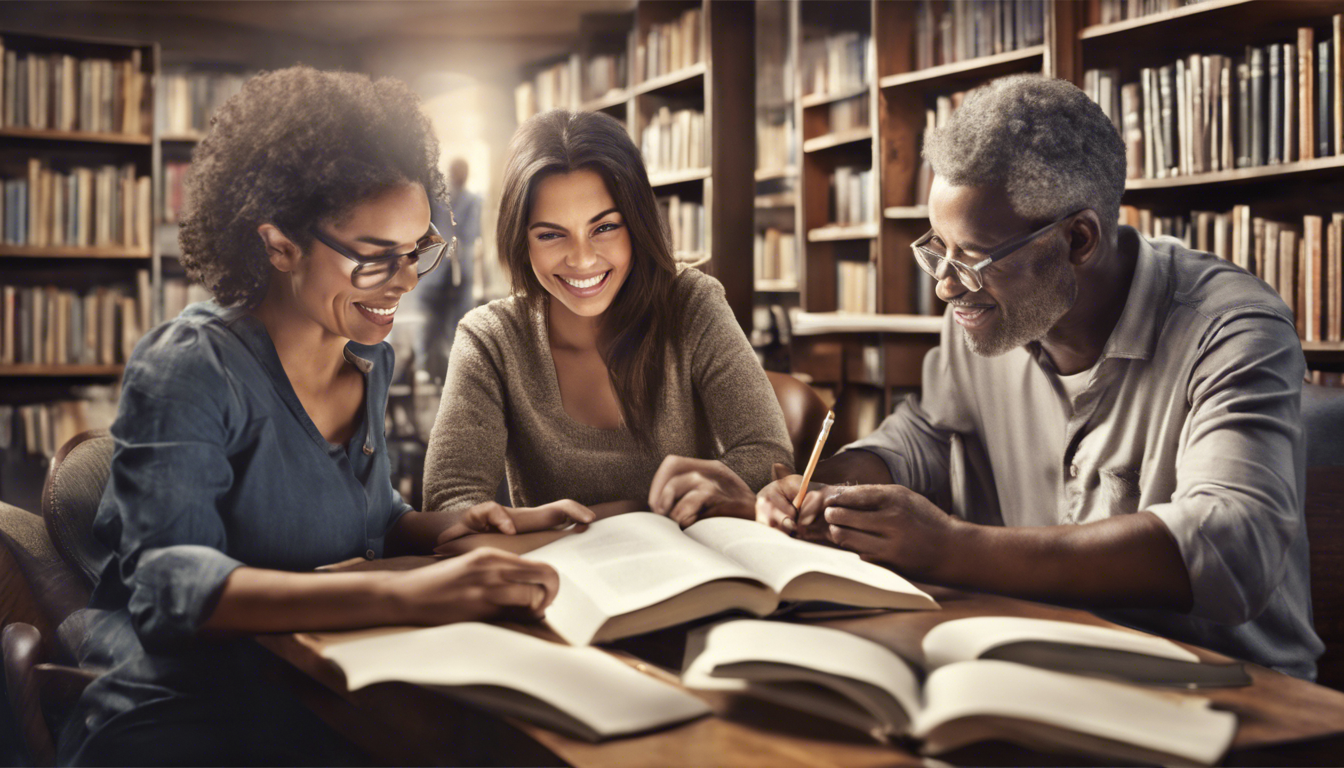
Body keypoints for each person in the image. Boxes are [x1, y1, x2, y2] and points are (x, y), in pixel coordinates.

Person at [59, 67, 588, 766]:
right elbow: (167, 588)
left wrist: (441, 527)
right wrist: (405, 597)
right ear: (280, 246)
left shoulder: (368, 362)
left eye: (417, 250)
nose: (403, 281)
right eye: (374, 258)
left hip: (316, 689)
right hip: (181, 716)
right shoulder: (190, 366)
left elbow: (365, 519)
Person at [757, 74, 1324, 680]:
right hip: (1044, 663)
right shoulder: (983, 315)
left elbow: (1233, 546)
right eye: (937, 250)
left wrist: (950, 547)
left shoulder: (1233, 327)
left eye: (971, 258)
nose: (946, 285)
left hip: (1233, 691)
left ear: (1079, 239)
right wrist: (830, 489)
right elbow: (926, 438)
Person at [423, 109, 792, 530]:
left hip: (698, 576)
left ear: (637, 224)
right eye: (550, 234)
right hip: (562, 585)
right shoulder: (490, 339)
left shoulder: (692, 302)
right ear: (520, 239)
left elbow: (767, 455)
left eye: (605, 228)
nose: (581, 259)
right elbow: (450, 502)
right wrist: (642, 512)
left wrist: (599, 517)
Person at [416, 157, 482, 384]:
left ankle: (431, 370)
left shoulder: (438, 200)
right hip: (452, 273)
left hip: (437, 272)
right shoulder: (470, 200)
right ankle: (448, 373)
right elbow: (471, 234)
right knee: (452, 324)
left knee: (435, 324)